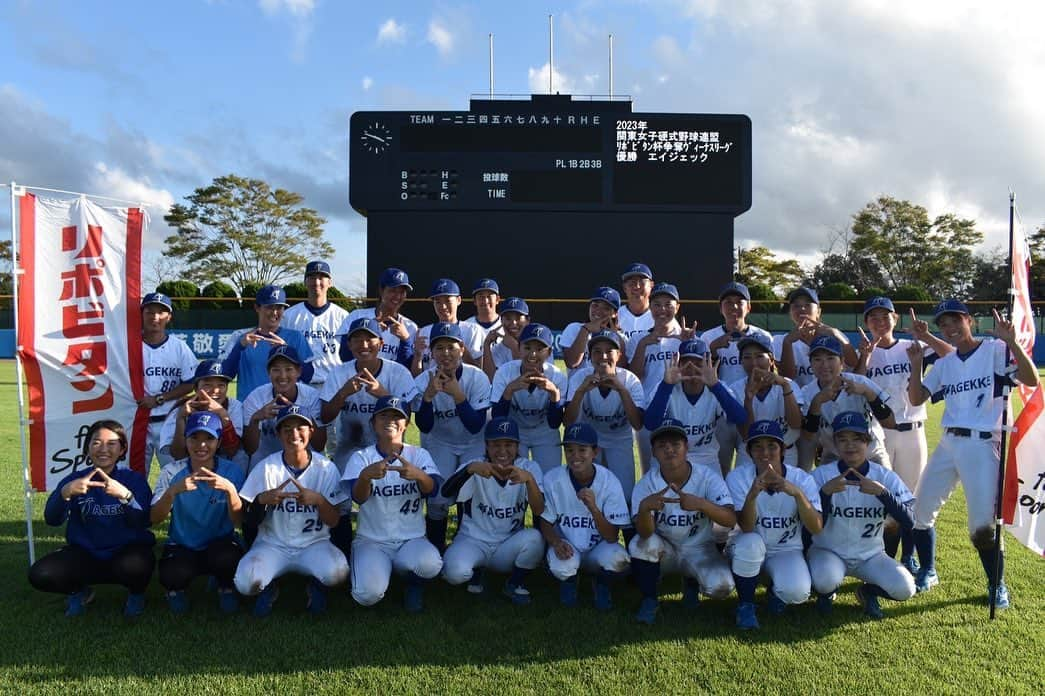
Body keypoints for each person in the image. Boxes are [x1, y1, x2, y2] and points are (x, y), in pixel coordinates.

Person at [907, 301, 1037, 609]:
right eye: (944, 324)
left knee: (981, 526)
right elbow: (915, 398)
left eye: (956, 321)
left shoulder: (994, 350)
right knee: (919, 511)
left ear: (970, 320)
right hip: (949, 442)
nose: (950, 328)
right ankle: (928, 570)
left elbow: (1031, 380)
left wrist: (1013, 343)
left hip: (982, 444)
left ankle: (997, 585)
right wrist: (915, 364)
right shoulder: (945, 363)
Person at [854, 297, 952, 573]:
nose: (879, 321)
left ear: (895, 319)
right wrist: (865, 357)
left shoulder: (912, 347)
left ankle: (908, 556)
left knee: (910, 499)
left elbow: (950, 354)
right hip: (878, 435)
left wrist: (927, 336)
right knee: (882, 498)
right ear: (866, 323)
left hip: (912, 431)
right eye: (873, 317)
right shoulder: (864, 350)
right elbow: (856, 383)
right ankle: (883, 558)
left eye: (885, 316)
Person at [29, 420, 155, 617]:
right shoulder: (75, 479)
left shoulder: (133, 480)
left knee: (137, 564)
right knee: (41, 574)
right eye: (96, 443)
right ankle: (79, 592)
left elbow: (144, 522)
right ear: (87, 448)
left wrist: (127, 497)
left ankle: (136, 594)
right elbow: (52, 519)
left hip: (125, 553)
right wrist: (64, 493)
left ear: (122, 450)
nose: (103, 449)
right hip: (85, 553)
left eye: (112, 443)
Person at [234, 405, 349, 616]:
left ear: (311, 431)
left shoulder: (326, 468)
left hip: (314, 545)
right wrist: (261, 500)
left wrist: (319, 501)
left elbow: (334, 521)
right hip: (272, 545)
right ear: (278, 434)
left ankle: (316, 585)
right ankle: (270, 587)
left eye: (300, 428)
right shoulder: (266, 467)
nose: (294, 434)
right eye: (286, 429)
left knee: (338, 573)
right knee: (245, 582)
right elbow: (246, 520)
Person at [319, 317, 419, 559]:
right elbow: (324, 415)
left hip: (388, 447)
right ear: (349, 345)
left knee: (390, 497)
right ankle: (343, 555)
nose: (363, 345)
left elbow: (409, 414)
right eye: (357, 340)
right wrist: (343, 394)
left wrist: (382, 394)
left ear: (381, 343)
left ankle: (394, 547)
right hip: (349, 446)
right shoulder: (339, 372)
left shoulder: (397, 371)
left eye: (369, 339)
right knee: (341, 501)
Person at [808, 412, 917, 620]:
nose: (850, 446)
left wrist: (883, 494)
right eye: (843, 439)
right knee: (824, 580)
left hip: (871, 555)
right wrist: (825, 493)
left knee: (905, 589)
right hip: (828, 551)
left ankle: (867, 592)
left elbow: (909, 520)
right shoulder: (821, 475)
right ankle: (827, 592)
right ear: (835, 444)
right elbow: (807, 522)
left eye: (857, 439)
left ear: (867, 441)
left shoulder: (884, 476)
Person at [630, 419, 737, 624]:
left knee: (722, 586)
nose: (669, 450)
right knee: (640, 544)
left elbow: (730, 519)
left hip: (700, 548)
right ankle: (650, 599)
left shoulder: (707, 477)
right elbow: (644, 533)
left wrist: (702, 504)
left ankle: (691, 582)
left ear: (686, 447)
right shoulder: (647, 484)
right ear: (653, 452)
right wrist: (644, 509)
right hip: (666, 548)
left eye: (675, 444)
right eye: (662, 446)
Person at [342, 396, 443, 612]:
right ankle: (382, 570)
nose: (390, 420)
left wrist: (419, 475)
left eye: (398, 417)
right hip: (372, 540)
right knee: (366, 595)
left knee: (431, 564)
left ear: (406, 424)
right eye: (384, 415)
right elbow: (357, 498)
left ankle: (413, 583)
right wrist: (365, 478)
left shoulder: (419, 455)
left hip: (411, 538)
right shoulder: (361, 457)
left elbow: (433, 490)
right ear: (373, 422)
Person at [726, 421, 822, 630]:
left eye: (772, 446)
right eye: (757, 446)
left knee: (798, 593)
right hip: (746, 545)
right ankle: (746, 605)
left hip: (786, 549)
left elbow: (816, 527)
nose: (765, 452)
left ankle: (774, 591)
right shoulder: (738, 477)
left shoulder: (801, 479)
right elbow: (747, 527)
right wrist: (751, 497)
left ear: (783, 449)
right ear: (749, 451)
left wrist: (796, 493)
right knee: (750, 543)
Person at [440, 418, 545, 605]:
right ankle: (476, 571)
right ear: (486, 445)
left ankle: (513, 583)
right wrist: (469, 471)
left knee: (535, 538)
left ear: (517, 446)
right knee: (455, 573)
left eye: (509, 444)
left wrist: (529, 480)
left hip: (507, 546)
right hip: (473, 541)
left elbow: (539, 509)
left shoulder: (528, 468)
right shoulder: (474, 465)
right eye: (496, 444)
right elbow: (445, 492)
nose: (502, 450)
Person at [150, 411, 245, 614]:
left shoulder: (232, 472)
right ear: (185, 440)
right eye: (194, 438)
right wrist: (173, 491)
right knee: (172, 574)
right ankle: (175, 591)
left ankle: (225, 585)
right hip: (183, 545)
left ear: (218, 443)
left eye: (209, 438)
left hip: (220, 544)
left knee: (228, 559)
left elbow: (238, 522)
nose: (201, 445)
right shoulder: (172, 472)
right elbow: (154, 519)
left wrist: (229, 491)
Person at [413, 322, 492, 552]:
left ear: (462, 348)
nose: (446, 353)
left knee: (470, 497)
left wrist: (458, 397)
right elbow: (424, 426)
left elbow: (475, 426)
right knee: (438, 500)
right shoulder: (423, 380)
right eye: (439, 348)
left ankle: (463, 545)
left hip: (473, 443)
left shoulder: (476, 377)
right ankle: (435, 549)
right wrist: (428, 398)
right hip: (441, 442)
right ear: (432, 352)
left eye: (451, 347)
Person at [539, 423, 630, 610]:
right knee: (561, 566)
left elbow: (612, 536)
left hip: (598, 547)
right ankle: (569, 581)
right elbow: (545, 522)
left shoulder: (609, 480)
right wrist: (556, 542)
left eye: (582, 450)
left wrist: (594, 509)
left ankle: (602, 583)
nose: (575, 456)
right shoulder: (553, 478)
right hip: (568, 545)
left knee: (618, 559)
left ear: (595, 452)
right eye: (569, 450)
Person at [774, 287, 857, 469]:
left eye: (807, 305)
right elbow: (787, 376)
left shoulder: (833, 335)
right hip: (801, 413)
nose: (802, 310)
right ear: (790, 313)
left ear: (818, 311)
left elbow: (853, 363)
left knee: (835, 466)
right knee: (802, 467)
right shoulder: (781, 340)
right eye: (796, 306)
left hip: (833, 411)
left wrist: (835, 334)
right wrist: (789, 343)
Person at [700, 282, 773, 476]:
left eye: (739, 302)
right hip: (720, 412)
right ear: (720, 308)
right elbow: (702, 374)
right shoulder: (709, 337)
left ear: (748, 307)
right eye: (728, 302)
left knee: (748, 466)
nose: (733, 307)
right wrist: (713, 349)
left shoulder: (762, 336)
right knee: (720, 467)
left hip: (752, 409)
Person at [643, 339, 747, 474]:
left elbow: (739, 418)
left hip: (706, 458)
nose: (692, 369)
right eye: (686, 363)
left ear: (709, 364)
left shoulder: (717, 387)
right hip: (669, 457)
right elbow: (650, 423)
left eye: (699, 363)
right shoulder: (665, 386)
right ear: (678, 364)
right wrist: (666, 385)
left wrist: (715, 386)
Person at [564, 330, 645, 501]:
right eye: (597, 351)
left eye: (609, 351)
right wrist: (580, 392)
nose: (603, 356)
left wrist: (622, 390)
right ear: (590, 355)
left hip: (620, 440)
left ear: (619, 355)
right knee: (588, 494)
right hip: (590, 441)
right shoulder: (580, 378)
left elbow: (637, 424)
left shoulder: (630, 381)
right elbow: (568, 422)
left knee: (625, 495)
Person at [799, 335, 895, 468]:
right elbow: (808, 436)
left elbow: (890, 422)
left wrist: (868, 393)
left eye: (831, 358)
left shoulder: (861, 382)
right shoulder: (807, 393)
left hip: (872, 455)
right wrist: (817, 402)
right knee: (820, 487)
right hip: (833, 456)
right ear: (811, 364)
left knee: (888, 488)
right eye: (817, 359)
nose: (824, 365)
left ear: (842, 362)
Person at [625, 282, 692, 472]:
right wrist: (643, 345)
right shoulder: (638, 339)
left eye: (668, 304)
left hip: (680, 408)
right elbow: (635, 376)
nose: (662, 309)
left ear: (677, 307)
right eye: (657, 304)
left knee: (682, 465)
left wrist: (688, 345)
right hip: (649, 409)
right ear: (650, 307)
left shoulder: (686, 337)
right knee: (650, 468)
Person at [490, 323, 567, 474]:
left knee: (550, 478)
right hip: (515, 430)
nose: (532, 354)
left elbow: (554, 423)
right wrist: (510, 390)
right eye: (527, 348)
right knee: (514, 481)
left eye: (539, 349)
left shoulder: (557, 376)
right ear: (519, 348)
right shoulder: (505, 372)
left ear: (549, 352)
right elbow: (497, 417)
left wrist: (554, 395)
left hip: (545, 432)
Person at [138, 292, 197, 476]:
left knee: (175, 475)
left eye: (161, 312)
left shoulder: (179, 347)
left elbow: (191, 383)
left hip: (169, 421)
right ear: (142, 314)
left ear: (169, 317)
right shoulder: (130, 346)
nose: (155, 317)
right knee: (135, 477)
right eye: (150, 312)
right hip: (137, 424)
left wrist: (160, 398)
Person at [220, 284, 315, 398]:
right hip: (251, 409)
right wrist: (239, 347)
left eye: (279, 307)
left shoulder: (295, 337)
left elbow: (308, 376)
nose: (275, 312)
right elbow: (225, 374)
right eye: (270, 307)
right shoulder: (240, 337)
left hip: (286, 407)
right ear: (257, 308)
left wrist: (287, 351)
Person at [727, 334, 804, 471]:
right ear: (741, 362)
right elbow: (746, 434)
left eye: (759, 356)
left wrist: (785, 387)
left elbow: (796, 423)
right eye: (747, 357)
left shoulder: (789, 384)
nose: (754, 363)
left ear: (771, 359)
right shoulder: (735, 389)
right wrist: (748, 399)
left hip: (786, 452)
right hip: (750, 453)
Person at [241, 345, 325, 470]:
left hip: (306, 465)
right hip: (265, 467)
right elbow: (249, 449)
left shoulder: (311, 397)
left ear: (299, 372)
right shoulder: (256, 397)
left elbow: (320, 445)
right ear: (268, 372)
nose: (282, 376)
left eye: (288, 369)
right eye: (276, 370)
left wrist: (298, 413)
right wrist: (255, 419)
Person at [160, 359, 247, 474]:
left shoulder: (234, 407)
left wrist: (222, 414)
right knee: (170, 470)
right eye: (207, 385)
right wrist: (181, 419)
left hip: (224, 463)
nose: (215, 390)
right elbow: (177, 454)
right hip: (189, 465)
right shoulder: (181, 409)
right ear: (196, 388)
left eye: (221, 385)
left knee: (241, 456)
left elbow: (232, 451)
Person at [281, 260, 349, 390]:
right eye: (312, 277)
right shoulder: (289, 316)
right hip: (299, 386)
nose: (316, 282)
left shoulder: (343, 316)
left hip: (333, 385)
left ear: (330, 282)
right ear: (305, 282)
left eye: (321, 277)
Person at [337, 267, 418, 368]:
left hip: (392, 382)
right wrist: (367, 330)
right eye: (393, 290)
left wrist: (405, 341)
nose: (397, 296)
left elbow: (406, 368)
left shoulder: (410, 327)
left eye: (402, 292)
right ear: (381, 290)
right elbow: (345, 357)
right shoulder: (357, 316)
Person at [410, 278, 484, 376]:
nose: (443, 306)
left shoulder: (472, 330)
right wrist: (417, 357)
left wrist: (459, 349)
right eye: (438, 302)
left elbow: (479, 372)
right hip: (432, 387)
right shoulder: (424, 332)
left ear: (458, 300)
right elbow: (416, 379)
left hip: (463, 388)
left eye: (448, 301)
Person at [560, 287, 624, 378]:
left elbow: (623, 369)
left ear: (615, 314)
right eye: (595, 305)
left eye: (606, 308)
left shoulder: (621, 337)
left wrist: (614, 336)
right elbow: (571, 362)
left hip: (608, 388)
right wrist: (585, 330)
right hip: (578, 388)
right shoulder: (575, 328)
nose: (598, 311)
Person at [482, 297, 530, 380]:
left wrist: (514, 348)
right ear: (501, 321)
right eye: (508, 318)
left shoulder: (539, 344)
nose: (513, 323)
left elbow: (528, 377)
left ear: (527, 320)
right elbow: (491, 380)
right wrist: (486, 345)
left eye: (518, 318)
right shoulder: (496, 350)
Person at [617, 262, 655, 344]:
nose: (636, 286)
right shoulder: (615, 316)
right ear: (624, 287)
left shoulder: (660, 316)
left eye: (642, 282)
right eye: (631, 283)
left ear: (651, 285)